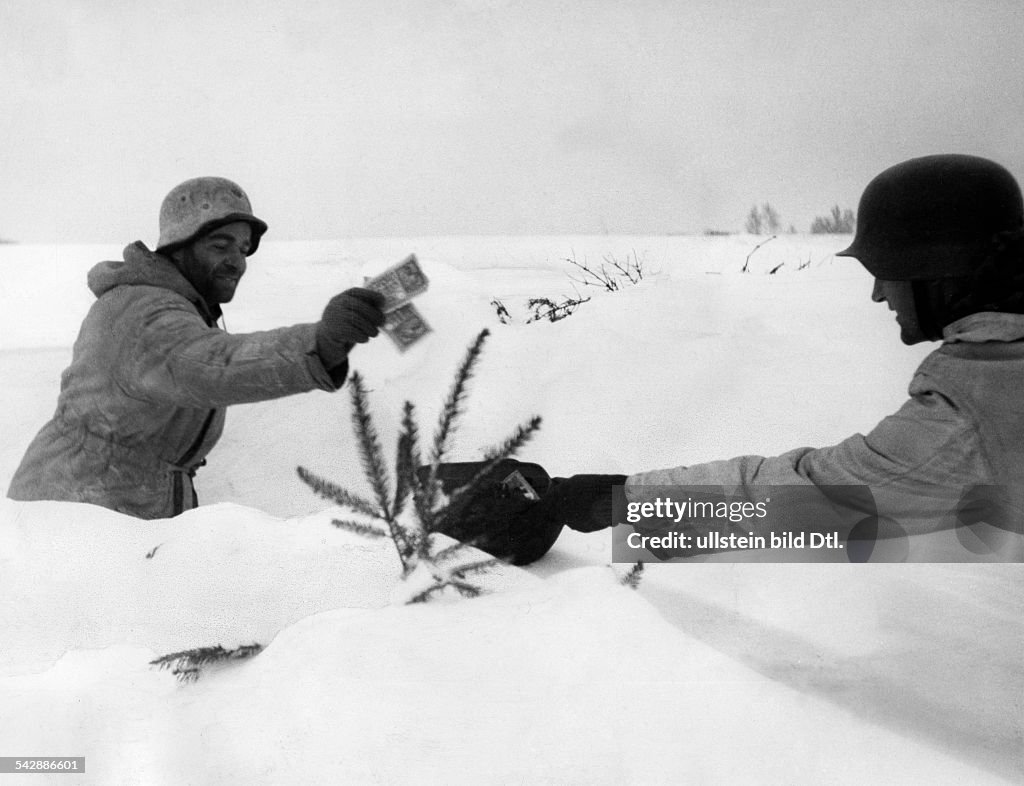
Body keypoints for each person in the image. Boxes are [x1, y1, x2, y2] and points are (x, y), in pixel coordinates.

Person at [527, 154, 1024, 561]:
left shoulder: (977, 400)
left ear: (936, 272)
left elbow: (817, 497)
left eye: (886, 271)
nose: (878, 295)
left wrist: (620, 499)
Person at [7, 177, 386, 519]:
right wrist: (319, 343)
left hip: (113, 506)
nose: (237, 261)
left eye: (243, 248)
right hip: (77, 513)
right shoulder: (144, 311)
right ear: (178, 246)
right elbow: (209, 365)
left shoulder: (175, 307)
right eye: (220, 245)